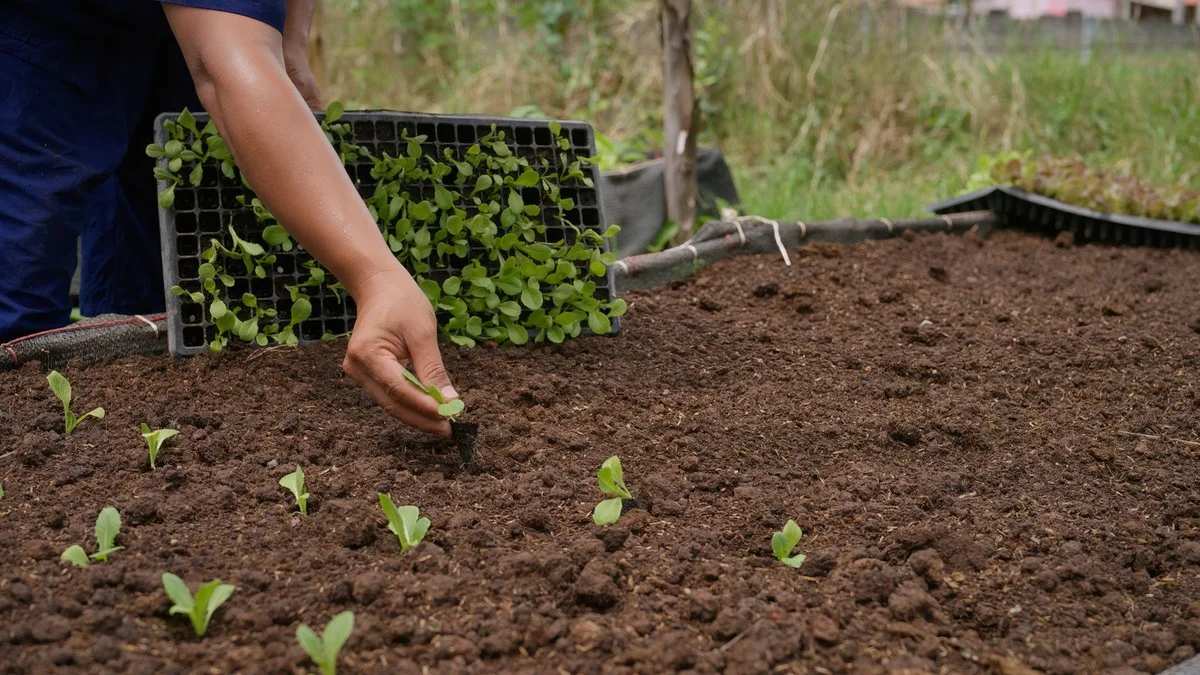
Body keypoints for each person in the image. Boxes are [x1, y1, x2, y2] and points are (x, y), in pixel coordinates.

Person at [0, 1, 457, 436]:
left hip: (180, 22)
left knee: (161, 220)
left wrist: (291, 40)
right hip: (46, 24)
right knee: (30, 231)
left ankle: (129, 415)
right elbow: (225, 67)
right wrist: (375, 276)